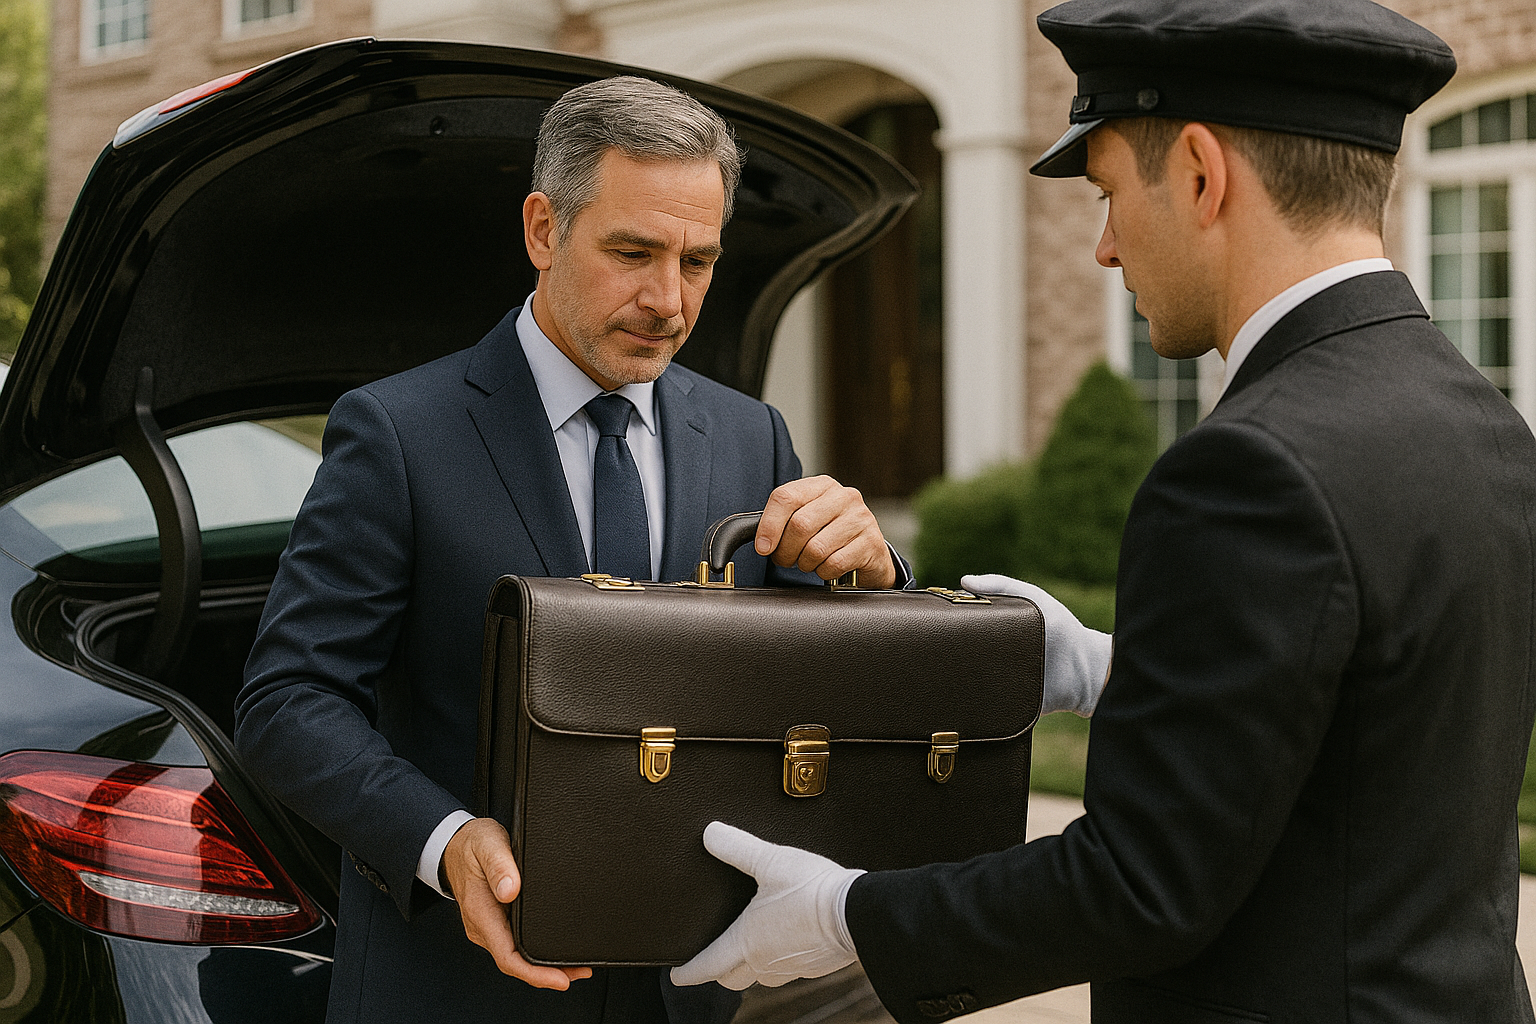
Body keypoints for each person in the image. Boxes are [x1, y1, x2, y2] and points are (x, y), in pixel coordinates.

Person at [671, 1, 1536, 1021]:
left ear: (1205, 175)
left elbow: (1142, 884)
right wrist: (1117, 667)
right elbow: (1379, 726)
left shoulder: (1249, 467)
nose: (1105, 248)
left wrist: (843, 913)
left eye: (1112, 193)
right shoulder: (1486, 423)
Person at [234, 75, 910, 1024]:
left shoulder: (753, 434)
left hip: (691, 992)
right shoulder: (395, 432)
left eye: (699, 261)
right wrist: (444, 840)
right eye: (632, 251)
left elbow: (818, 682)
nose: (668, 300)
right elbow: (286, 701)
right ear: (544, 230)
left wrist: (877, 578)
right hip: (456, 990)